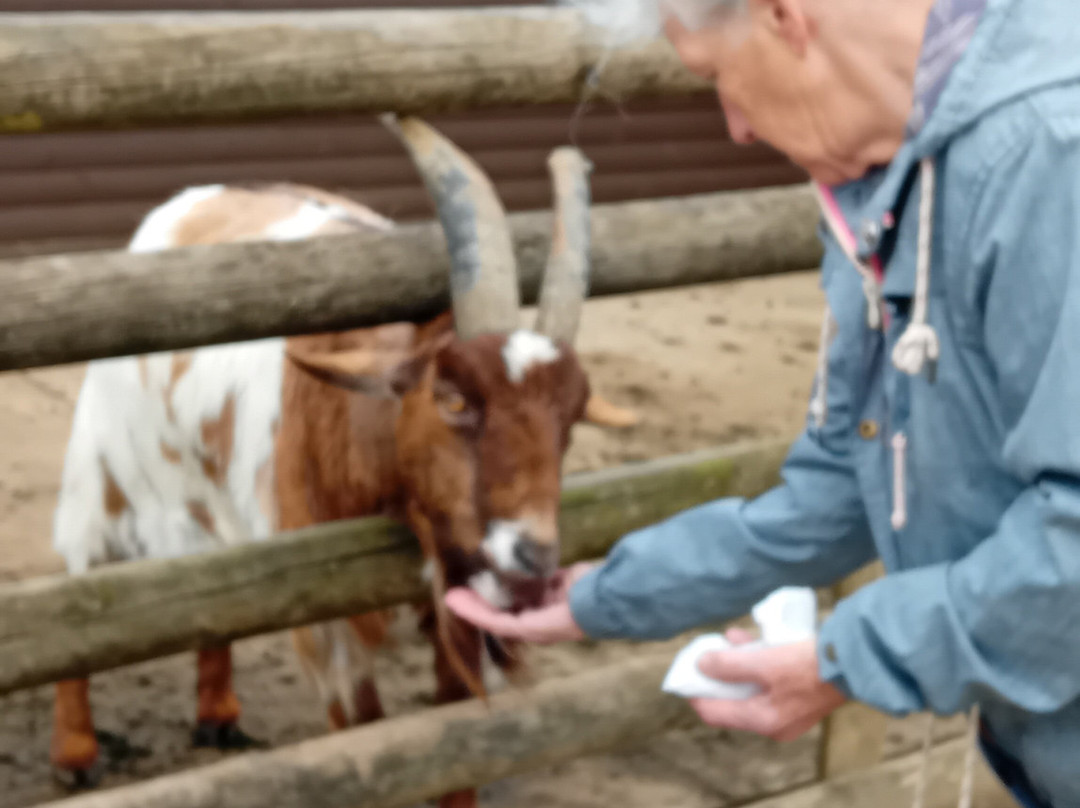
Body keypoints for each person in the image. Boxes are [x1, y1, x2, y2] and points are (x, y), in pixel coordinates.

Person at [447, 0, 1080, 805]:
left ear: (785, 15)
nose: (737, 126)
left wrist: (846, 658)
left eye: (716, 77)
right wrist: (613, 595)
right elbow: (846, 481)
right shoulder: (881, 188)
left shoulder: (1052, 149)